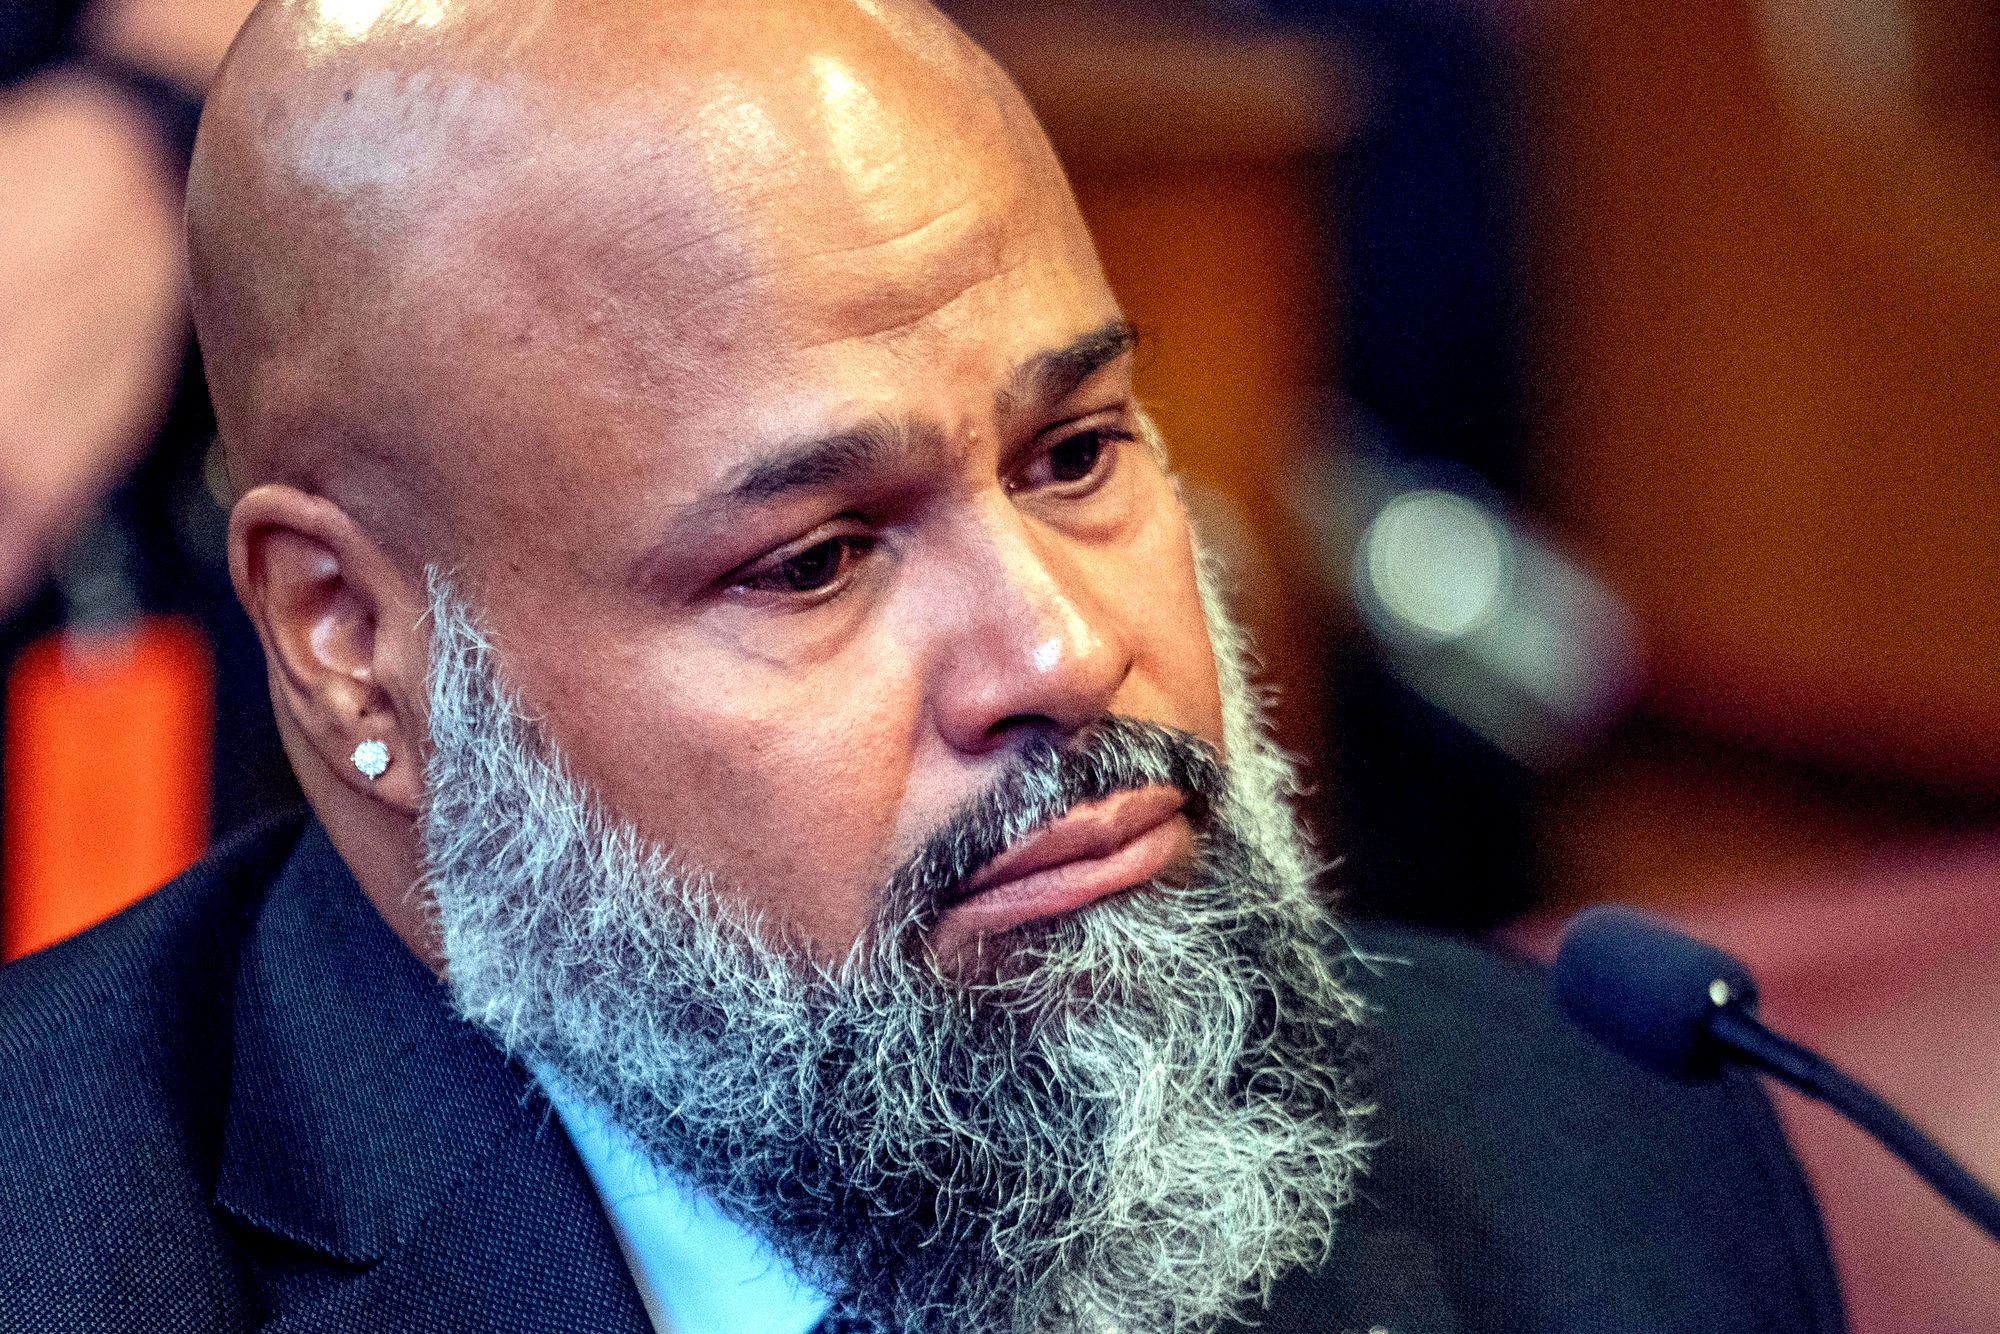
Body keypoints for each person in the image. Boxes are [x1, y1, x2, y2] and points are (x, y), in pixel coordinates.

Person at [0, 2, 1846, 1332]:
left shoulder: (1597, 1156)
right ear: (351, 642)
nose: (1062, 644)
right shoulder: (66, 1243)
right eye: (811, 559)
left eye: (1079, 454)